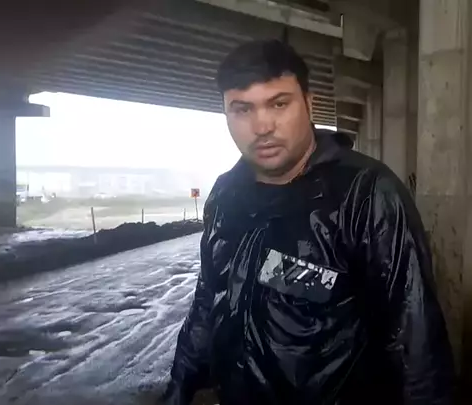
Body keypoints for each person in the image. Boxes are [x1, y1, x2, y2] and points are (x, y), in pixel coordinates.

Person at [164, 39, 454, 405]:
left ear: (309, 104)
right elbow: (208, 299)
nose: (262, 126)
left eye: (279, 103)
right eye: (242, 109)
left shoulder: (365, 193)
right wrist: (179, 387)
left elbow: (415, 336)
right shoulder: (225, 195)